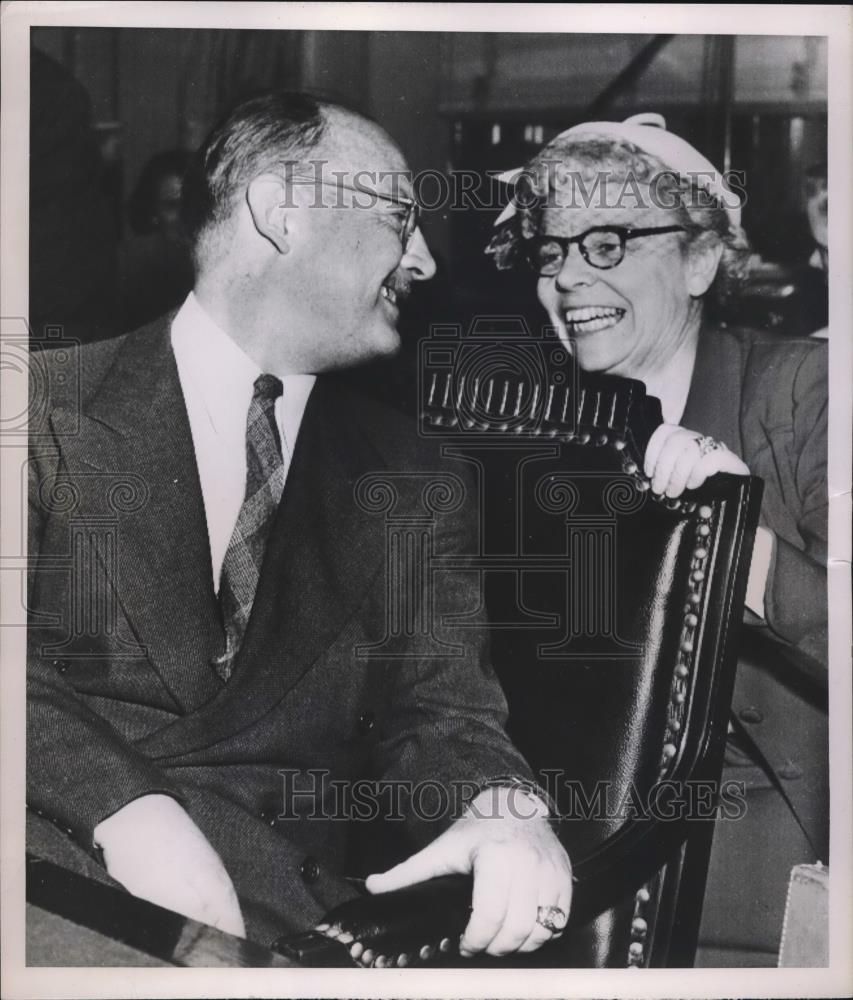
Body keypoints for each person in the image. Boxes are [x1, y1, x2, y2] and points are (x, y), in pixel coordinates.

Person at [27, 92, 572, 960]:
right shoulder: (33, 406)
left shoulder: (412, 476)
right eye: (401, 217)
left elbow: (441, 712)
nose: (423, 260)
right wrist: (125, 809)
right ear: (281, 213)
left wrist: (505, 812)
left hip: (278, 932)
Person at [486, 113, 828, 965]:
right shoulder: (532, 444)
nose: (567, 279)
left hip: (784, 894)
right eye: (551, 252)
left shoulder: (804, 392)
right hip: (581, 884)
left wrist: (728, 534)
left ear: (702, 259)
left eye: (607, 243)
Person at [118, 149, 195, 330]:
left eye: (190, 203)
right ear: (153, 212)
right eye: (171, 206)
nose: (184, 216)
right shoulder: (136, 268)